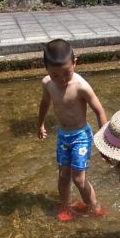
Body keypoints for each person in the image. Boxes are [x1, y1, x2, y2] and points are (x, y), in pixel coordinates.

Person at [37, 39, 108, 222]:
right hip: (63, 136)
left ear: (75, 63)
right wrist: (41, 124)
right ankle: (66, 206)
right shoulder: (48, 84)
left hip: (81, 137)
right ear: (46, 68)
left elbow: (99, 111)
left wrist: (104, 143)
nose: (61, 80)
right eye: (55, 75)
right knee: (63, 176)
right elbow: (45, 103)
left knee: (78, 179)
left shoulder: (81, 86)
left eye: (66, 74)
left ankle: (94, 207)